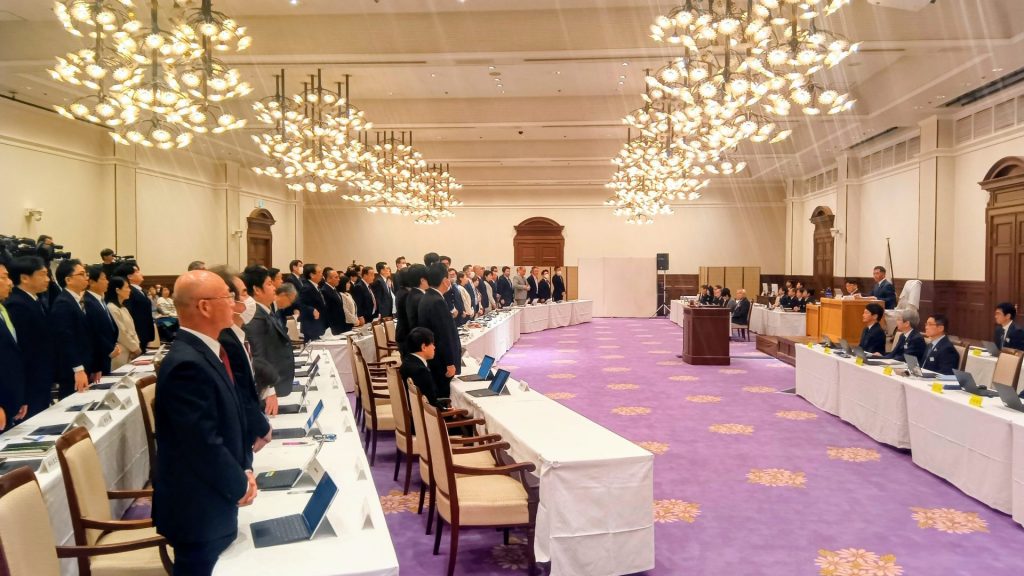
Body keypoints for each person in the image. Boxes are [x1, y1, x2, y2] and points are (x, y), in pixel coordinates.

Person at [153, 270, 259, 576]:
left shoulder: (208, 350)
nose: (235, 304)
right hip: (197, 507)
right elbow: (201, 443)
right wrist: (239, 484)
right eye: (227, 296)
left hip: (212, 498)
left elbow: (231, 416)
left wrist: (245, 467)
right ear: (204, 306)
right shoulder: (187, 363)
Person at [4, 256, 55, 417]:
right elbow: (24, 349)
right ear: (25, 278)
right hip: (31, 381)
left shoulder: (34, 300)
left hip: (41, 377)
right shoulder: (17, 304)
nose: (48, 279)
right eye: (42, 274)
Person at [243, 266, 294, 416]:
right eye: (269, 284)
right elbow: (257, 354)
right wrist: (268, 388)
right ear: (257, 290)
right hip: (267, 388)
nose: (274, 288)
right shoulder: (255, 315)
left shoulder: (266, 310)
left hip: (277, 383)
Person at [418, 263, 461, 398]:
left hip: (434, 356)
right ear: (444, 280)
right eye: (448, 277)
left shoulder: (428, 296)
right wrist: (450, 362)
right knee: (444, 394)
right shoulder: (437, 301)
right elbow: (444, 335)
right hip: (440, 360)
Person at [51, 259, 94, 398]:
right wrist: (78, 368)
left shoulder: (75, 300)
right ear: (68, 280)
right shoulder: (63, 303)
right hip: (72, 370)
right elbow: (65, 339)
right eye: (81, 274)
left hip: (84, 364)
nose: (86, 277)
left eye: (86, 273)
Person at [0, 262, 27, 432]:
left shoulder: (3, 310)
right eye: (4, 277)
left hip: (9, 398)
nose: (10, 282)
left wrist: (19, 397)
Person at [83, 265, 120, 378]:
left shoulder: (100, 300)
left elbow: (109, 327)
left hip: (107, 354)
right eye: (103, 279)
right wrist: (109, 349)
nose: (107, 282)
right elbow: (95, 332)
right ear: (92, 282)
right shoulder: (88, 302)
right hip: (99, 355)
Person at [400, 327, 445, 407]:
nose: (434, 347)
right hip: (422, 412)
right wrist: (447, 410)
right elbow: (430, 404)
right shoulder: (421, 371)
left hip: (413, 408)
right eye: (432, 344)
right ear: (423, 347)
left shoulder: (407, 361)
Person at [105, 276, 140, 370]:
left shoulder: (123, 308)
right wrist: (135, 348)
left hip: (130, 350)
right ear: (118, 290)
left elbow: (132, 330)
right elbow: (121, 333)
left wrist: (136, 346)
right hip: (121, 352)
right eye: (127, 287)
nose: (129, 290)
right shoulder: (112, 308)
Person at [119, 262, 156, 351]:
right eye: (137, 271)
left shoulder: (140, 290)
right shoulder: (129, 291)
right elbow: (129, 315)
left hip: (144, 333)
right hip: (137, 334)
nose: (141, 273)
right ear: (129, 276)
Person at [298, 263, 326, 342]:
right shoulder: (307, 287)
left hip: (318, 325)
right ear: (312, 275)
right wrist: (312, 310)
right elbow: (300, 304)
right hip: (311, 326)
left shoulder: (315, 286)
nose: (322, 275)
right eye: (319, 272)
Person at [320, 267, 348, 336]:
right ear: (329, 279)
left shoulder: (334, 289)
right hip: (333, 325)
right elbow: (327, 311)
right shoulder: (324, 291)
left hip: (340, 324)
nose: (339, 279)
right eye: (336, 277)